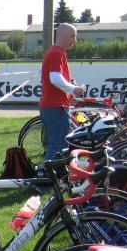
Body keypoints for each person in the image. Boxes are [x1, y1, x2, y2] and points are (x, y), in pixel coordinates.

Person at [39, 23, 87, 160]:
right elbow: (55, 78)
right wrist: (74, 89)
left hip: (53, 106)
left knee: (57, 145)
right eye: (73, 36)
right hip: (55, 107)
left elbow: (60, 78)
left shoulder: (57, 52)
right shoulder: (57, 53)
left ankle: (52, 171)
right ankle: (49, 173)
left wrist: (73, 88)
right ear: (63, 36)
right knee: (58, 146)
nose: (74, 40)